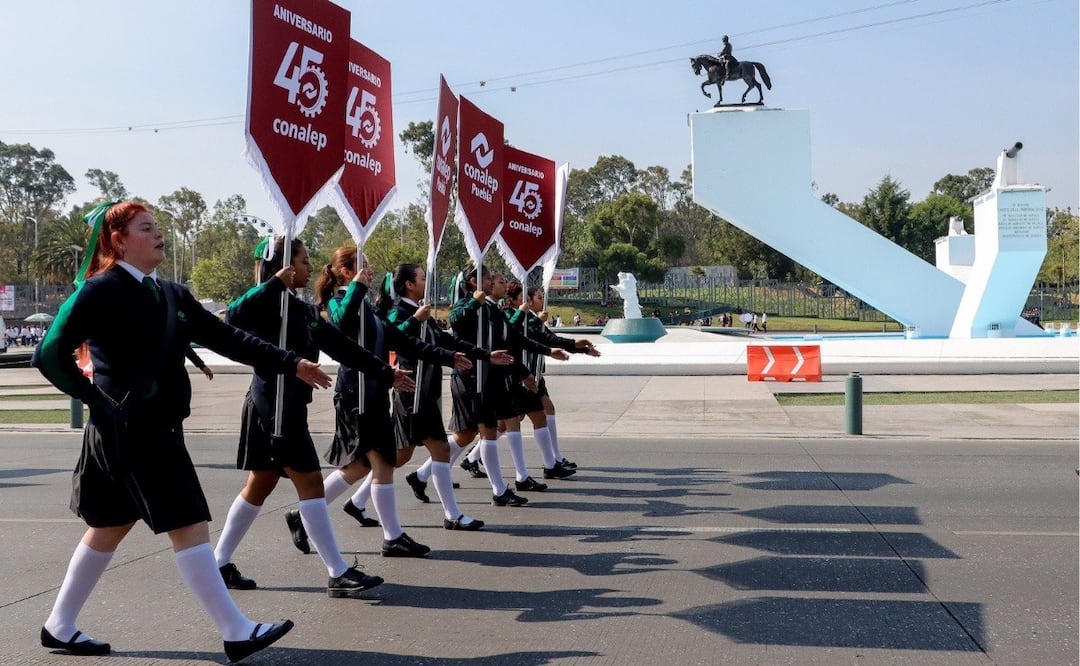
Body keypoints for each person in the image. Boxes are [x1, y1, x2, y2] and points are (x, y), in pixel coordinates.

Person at [31, 202, 326, 661]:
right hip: (131, 431)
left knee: (108, 527)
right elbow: (48, 354)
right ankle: (235, 629)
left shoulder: (170, 293)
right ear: (118, 240)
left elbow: (227, 337)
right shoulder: (99, 291)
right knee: (188, 523)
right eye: (146, 228)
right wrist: (96, 402)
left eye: (158, 227)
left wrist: (291, 363)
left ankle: (59, 625)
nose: (158, 234)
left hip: (153, 426)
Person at [213, 236, 414, 598]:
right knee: (311, 485)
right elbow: (233, 316)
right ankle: (337, 572)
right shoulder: (265, 302)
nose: (309, 267)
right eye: (303, 262)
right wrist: (272, 282)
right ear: (284, 267)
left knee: (260, 485)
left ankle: (219, 562)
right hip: (272, 407)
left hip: (286, 406)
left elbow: (342, 347)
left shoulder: (302, 310)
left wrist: (387, 373)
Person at [284, 251, 478, 558]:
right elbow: (342, 324)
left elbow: (401, 341)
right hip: (355, 395)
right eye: (363, 268)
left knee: (361, 466)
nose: (370, 273)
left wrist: (448, 357)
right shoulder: (338, 301)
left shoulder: (369, 308)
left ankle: (303, 515)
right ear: (347, 271)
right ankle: (392, 537)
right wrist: (359, 287)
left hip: (374, 393)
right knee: (383, 463)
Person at [376, 263, 513, 529]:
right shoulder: (400, 311)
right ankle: (353, 500)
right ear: (408, 284)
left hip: (426, 393)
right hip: (410, 393)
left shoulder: (421, 312)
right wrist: (415, 319)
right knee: (397, 458)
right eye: (422, 278)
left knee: (437, 450)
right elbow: (392, 338)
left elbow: (446, 341)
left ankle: (453, 516)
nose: (426, 281)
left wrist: (485, 355)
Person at [448, 265, 569, 507]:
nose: (493, 282)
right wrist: (474, 302)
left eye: (495, 279)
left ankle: (501, 487)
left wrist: (544, 356)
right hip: (472, 378)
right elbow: (457, 322)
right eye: (489, 278)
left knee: (483, 433)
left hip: (491, 377)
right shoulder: (465, 305)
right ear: (474, 282)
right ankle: (501, 486)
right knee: (475, 434)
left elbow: (514, 339)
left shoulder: (493, 309)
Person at [501, 283, 599, 486]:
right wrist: (572, 346)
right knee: (517, 421)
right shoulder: (511, 316)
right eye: (536, 297)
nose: (539, 300)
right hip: (520, 375)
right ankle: (546, 466)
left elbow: (545, 340)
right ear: (520, 299)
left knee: (533, 416)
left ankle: (551, 462)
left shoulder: (528, 318)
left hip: (532, 374)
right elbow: (540, 339)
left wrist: (577, 348)